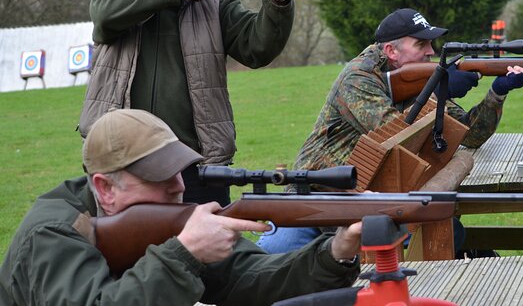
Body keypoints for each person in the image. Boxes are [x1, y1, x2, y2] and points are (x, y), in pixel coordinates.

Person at [1, 109, 361, 306]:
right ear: (105, 188)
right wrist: (184, 254)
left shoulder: (165, 219)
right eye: (159, 177)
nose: (179, 186)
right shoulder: (51, 232)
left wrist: (334, 253)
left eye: (180, 171)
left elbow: (250, 279)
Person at [78, 0, 309, 207]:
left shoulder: (212, 0)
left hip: (197, 163)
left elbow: (257, 48)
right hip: (123, 159)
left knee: (207, 250)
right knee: (123, 250)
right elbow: (105, 14)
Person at [257, 8, 523, 254]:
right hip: (318, 195)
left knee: (443, 234)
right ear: (392, 51)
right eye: (421, 44)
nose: (430, 51)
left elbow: (469, 135)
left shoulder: (416, 77)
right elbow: (392, 136)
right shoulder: (358, 77)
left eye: (431, 43)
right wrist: (438, 90)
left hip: (374, 194)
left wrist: (497, 93)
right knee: (273, 254)